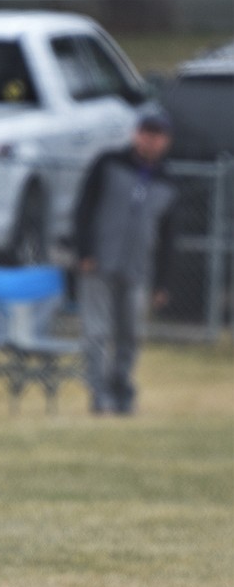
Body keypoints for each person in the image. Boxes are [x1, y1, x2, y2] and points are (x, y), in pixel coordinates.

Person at [74, 107, 178, 415]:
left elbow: (169, 238)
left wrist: (163, 282)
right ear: (136, 135)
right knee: (96, 331)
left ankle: (122, 389)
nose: (150, 140)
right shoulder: (109, 163)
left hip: (137, 269)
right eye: (146, 133)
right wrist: (85, 252)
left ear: (166, 141)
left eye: (157, 135)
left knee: (130, 334)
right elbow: (84, 209)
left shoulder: (168, 183)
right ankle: (98, 393)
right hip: (99, 263)